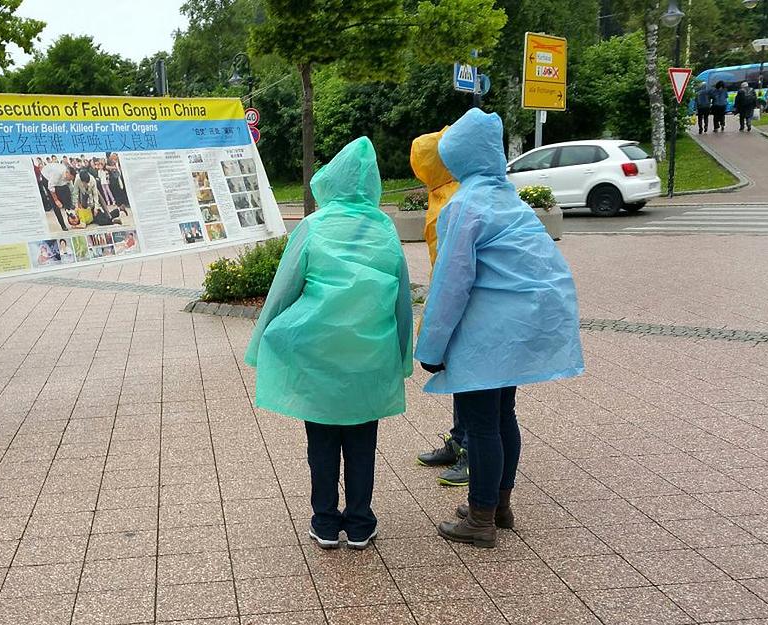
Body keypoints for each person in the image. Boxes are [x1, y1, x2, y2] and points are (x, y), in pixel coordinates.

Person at [416, 109, 584, 548]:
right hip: (522, 330)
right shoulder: (511, 201)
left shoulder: (464, 206)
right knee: (503, 416)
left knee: (481, 425)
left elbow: (451, 283)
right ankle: (498, 505)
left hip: (488, 335)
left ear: (459, 158)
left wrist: (431, 347)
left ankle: (479, 520)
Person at [245, 137, 413, 551]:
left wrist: (261, 340)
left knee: (321, 443)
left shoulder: (313, 227)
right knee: (362, 443)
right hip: (369, 358)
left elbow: (283, 291)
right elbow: (402, 298)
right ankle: (359, 522)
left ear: (330, 181)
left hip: (317, 355)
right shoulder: (385, 228)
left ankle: (324, 520)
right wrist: (403, 356)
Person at [410, 126, 470, 487]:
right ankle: (460, 439)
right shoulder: (444, 192)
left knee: (469, 378)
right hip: (453, 297)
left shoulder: (452, 200)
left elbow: (453, 269)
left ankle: (469, 451)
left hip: (462, 304)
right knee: (459, 376)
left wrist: (435, 320)